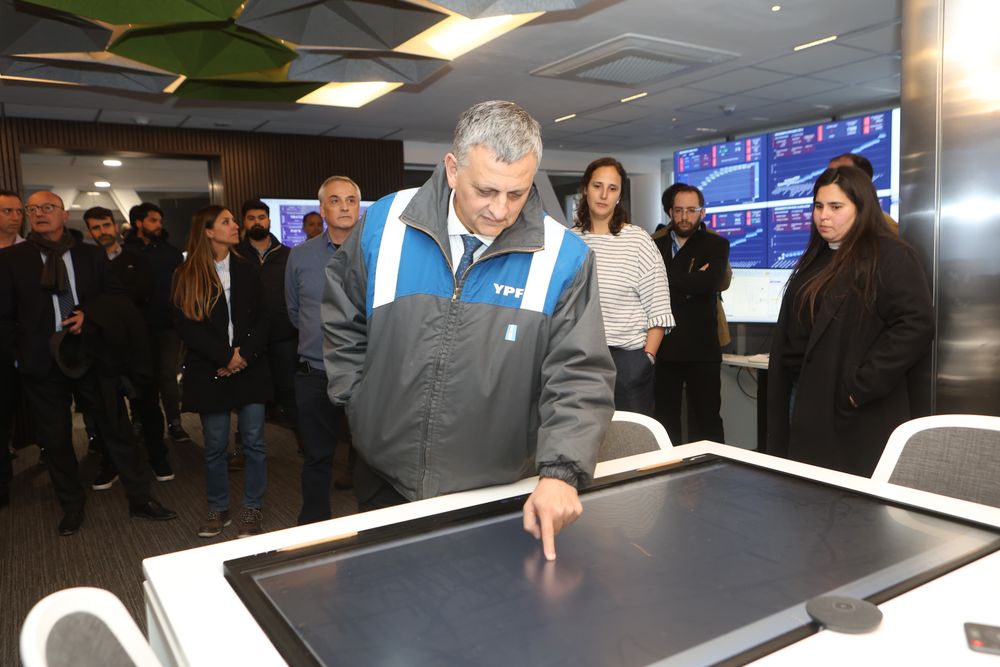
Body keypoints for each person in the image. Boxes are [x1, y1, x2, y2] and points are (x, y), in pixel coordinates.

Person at [324, 100, 615, 560]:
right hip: (384, 479)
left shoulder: (565, 256)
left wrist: (561, 472)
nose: (500, 211)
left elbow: (580, 375)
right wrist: (357, 400)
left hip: (495, 493)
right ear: (453, 168)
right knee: (376, 616)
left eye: (517, 194)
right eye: (486, 191)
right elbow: (342, 314)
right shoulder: (386, 221)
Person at [0, 191, 177, 535]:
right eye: (32, 209)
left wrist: (88, 315)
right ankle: (71, 506)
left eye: (47, 207)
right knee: (56, 439)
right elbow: (4, 316)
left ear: (64, 214)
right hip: (41, 360)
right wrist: (19, 357)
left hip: (90, 351)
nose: (38, 214)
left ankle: (141, 499)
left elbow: (115, 297)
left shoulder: (91, 255)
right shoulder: (12, 260)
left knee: (116, 428)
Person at [765, 166, 934, 476]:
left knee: (846, 507)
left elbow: (915, 325)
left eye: (836, 207)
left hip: (849, 407)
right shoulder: (816, 258)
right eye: (818, 206)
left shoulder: (890, 255)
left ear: (862, 208)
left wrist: (860, 387)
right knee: (805, 495)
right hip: (803, 398)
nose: (823, 216)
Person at [172, 205, 273, 538]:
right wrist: (225, 357)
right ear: (208, 231)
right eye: (226, 222)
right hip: (210, 369)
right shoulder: (186, 274)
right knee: (215, 446)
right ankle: (218, 508)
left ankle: (251, 507)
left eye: (233, 221)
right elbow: (187, 327)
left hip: (250, 367)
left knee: (255, 443)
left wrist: (243, 356)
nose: (235, 227)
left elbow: (264, 318)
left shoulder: (247, 270)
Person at [286, 177, 362, 524]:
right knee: (317, 456)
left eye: (351, 200)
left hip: (365, 373)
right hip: (314, 373)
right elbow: (294, 310)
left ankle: (373, 526)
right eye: (336, 200)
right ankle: (314, 525)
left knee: (369, 457)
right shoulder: (300, 256)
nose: (344, 206)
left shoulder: (376, 252)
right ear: (322, 209)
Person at [572, 157, 672, 417]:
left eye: (612, 188)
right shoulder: (568, 241)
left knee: (632, 447)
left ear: (619, 195)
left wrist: (646, 358)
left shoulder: (637, 241)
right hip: (577, 361)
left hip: (627, 363)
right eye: (597, 186)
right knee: (581, 444)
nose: (604, 194)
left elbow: (659, 307)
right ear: (585, 188)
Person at [84, 206, 174, 485]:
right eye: (96, 227)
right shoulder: (85, 263)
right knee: (108, 411)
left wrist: (102, 307)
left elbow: (141, 294)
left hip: (139, 343)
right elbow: (86, 301)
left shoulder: (138, 258)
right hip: (101, 345)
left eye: (106, 225)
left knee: (147, 404)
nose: (102, 232)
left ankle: (158, 458)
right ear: (89, 231)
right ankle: (111, 463)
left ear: (116, 225)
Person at [653, 184, 730, 444]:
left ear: (702, 212)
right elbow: (648, 287)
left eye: (691, 210)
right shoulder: (655, 244)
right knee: (664, 421)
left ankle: (714, 474)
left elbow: (711, 283)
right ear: (669, 212)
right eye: (678, 210)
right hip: (663, 346)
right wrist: (692, 279)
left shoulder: (717, 244)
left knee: (707, 419)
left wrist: (667, 279)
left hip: (703, 348)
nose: (685, 217)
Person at [124, 203, 191, 443]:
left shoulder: (170, 253)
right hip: (136, 328)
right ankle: (139, 420)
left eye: (160, 221)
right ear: (139, 223)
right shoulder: (125, 252)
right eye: (153, 220)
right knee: (140, 376)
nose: (159, 225)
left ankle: (175, 423)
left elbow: (182, 287)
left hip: (168, 325)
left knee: (167, 375)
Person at [235, 200, 297, 431]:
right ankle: (244, 447)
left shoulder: (289, 254)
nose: (257, 222)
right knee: (248, 396)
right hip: (248, 338)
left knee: (289, 392)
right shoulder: (236, 255)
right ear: (244, 222)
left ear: (269, 220)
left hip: (284, 335)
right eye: (251, 218)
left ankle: (305, 445)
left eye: (261, 217)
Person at [0, 188, 24, 509]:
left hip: (28, 344)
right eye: (7, 211)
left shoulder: (33, 251)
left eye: (19, 211)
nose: (16, 217)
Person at [827, 153, 899, 234]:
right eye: (829, 175)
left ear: (862, 182)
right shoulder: (826, 223)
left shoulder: (885, 228)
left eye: (839, 175)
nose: (829, 181)